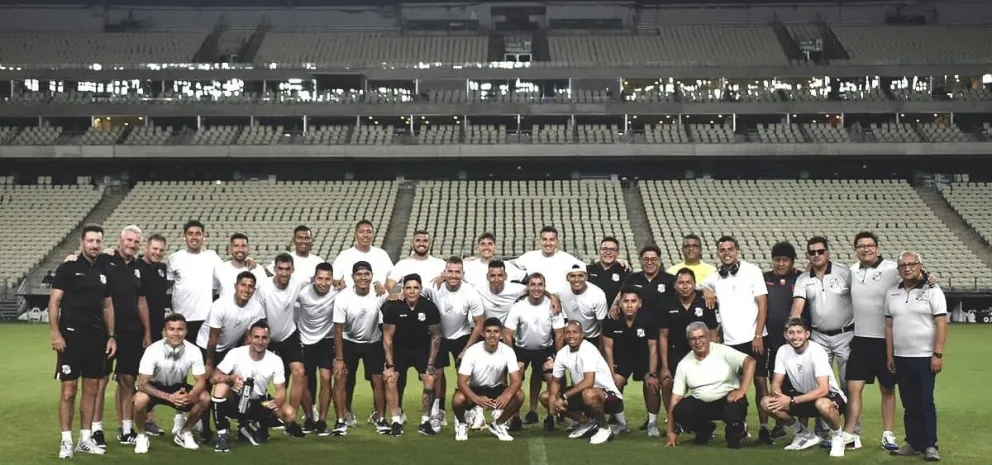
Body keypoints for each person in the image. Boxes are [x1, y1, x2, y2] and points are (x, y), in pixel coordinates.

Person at [49, 225, 117, 459]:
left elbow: (108, 305)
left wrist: (111, 336)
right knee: (69, 391)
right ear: (82, 242)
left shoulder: (104, 269)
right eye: (90, 241)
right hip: (70, 338)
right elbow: (54, 302)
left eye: (98, 241)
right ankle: (66, 440)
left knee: (91, 390)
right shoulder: (67, 268)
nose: (95, 245)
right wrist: (55, 333)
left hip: (96, 339)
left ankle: (84, 439)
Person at [789, 237, 858, 447]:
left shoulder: (844, 273)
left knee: (849, 385)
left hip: (846, 335)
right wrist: (791, 330)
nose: (816, 255)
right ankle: (824, 432)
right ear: (808, 255)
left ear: (827, 252)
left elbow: (861, 299)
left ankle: (851, 433)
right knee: (821, 385)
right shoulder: (803, 279)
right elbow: (797, 305)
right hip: (818, 336)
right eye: (812, 252)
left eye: (820, 251)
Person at [700, 235, 769, 437]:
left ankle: (764, 427)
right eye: (722, 250)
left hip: (754, 338)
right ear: (718, 253)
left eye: (730, 249)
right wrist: (706, 289)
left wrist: (758, 335)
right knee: (736, 387)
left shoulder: (752, 271)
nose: (726, 253)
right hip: (730, 342)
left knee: (760, 383)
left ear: (737, 250)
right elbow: (700, 284)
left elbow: (763, 304)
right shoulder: (715, 275)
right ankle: (741, 425)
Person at [884, 252, 946, 461]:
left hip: (925, 356)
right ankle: (912, 442)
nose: (908, 268)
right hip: (901, 356)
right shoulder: (892, 292)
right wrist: (890, 354)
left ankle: (930, 445)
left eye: (912, 264)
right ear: (898, 269)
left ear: (920, 266)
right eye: (903, 265)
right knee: (908, 402)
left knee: (925, 401)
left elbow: (941, 323)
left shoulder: (933, 291)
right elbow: (889, 324)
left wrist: (937, 354)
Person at [760, 318, 849, 457]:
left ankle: (838, 437)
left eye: (799, 332)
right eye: (791, 332)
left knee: (823, 405)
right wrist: (778, 396)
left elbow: (823, 389)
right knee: (766, 403)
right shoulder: (783, 351)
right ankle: (804, 434)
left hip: (830, 397)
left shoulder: (817, 351)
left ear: (807, 334)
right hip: (803, 397)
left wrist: (791, 400)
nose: (795, 336)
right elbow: (776, 382)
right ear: (785, 335)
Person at [845, 231, 901, 451]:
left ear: (877, 248)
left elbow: (914, 275)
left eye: (870, 245)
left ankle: (888, 434)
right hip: (860, 339)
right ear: (855, 249)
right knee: (853, 388)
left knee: (887, 389)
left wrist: (929, 278)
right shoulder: (852, 271)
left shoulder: (891, 268)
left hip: (885, 341)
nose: (865, 249)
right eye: (861, 246)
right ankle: (849, 434)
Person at [209, 321, 297, 452]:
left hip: (259, 402)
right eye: (256, 337)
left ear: (269, 340)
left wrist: (277, 400)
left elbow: (281, 390)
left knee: (289, 414)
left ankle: (251, 424)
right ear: (249, 338)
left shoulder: (275, 360)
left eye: (264, 338)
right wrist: (231, 379)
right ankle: (223, 436)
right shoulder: (236, 353)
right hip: (235, 400)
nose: (260, 341)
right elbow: (214, 378)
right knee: (221, 387)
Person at [665, 322, 755, 449]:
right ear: (688, 341)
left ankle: (736, 432)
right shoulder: (683, 364)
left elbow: (750, 362)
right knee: (680, 411)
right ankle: (705, 430)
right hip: (702, 403)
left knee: (734, 424)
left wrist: (741, 390)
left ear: (708, 336)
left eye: (701, 337)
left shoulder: (722, 351)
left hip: (727, 399)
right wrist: (670, 431)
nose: (698, 341)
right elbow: (675, 399)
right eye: (693, 338)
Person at [421, 256, 485, 432]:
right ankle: (437, 412)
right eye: (450, 271)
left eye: (458, 272)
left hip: (462, 335)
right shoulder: (434, 287)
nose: (454, 275)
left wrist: (466, 350)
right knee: (437, 374)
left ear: (463, 274)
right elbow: (414, 291)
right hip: (438, 336)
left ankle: (474, 411)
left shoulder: (470, 292)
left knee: (466, 375)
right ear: (444, 272)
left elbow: (480, 323)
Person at [132, 313, 210, 453]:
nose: (176, 333)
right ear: (164, 331)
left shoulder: (194, 350)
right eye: (171, 329)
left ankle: (184, 432)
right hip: (155, 387)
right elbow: (142, 383)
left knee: (204, 398)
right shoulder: (152, 350)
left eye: (180, 329)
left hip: (178, 387)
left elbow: (201, 380)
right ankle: (141, 435)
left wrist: (190, 395)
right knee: (139, 399)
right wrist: (169, 397)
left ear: (186, 331)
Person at [332, 261, 390, 435]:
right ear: (352, 278)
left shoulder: (380, 294)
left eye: (367, 274)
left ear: (372, 277)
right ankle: (341, 420)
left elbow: (396, 298)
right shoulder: (343, 298)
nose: (363, 278)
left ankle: (381, 419)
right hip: (349, 342)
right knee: (341, 378)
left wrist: (389, 291)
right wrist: (340, 359)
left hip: (373, 342)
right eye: (359, 274)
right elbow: (338, 330)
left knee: (378, 380)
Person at [542, 321, 624, 445]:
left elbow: (588, 381)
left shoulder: (588, 349)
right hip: (585, 394)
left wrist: (563, 397)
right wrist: (553, 398)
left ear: (582, 335)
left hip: (609, 397)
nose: (571, 335)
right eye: (567, 332)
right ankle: (586, 422)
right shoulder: (562, 353)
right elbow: (556, 381)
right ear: (563, 335)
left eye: (575, 332)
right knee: (546, 397)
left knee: (588, 393)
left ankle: (604, 428)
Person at [254, 253, 309, 437]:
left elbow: (317, 280)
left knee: (299, 372)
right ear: (275, 269)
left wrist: (335, 282)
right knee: (259, 379)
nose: (284, 273)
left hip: (288, 334)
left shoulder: (297, 283)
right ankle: (256, 417)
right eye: (280, 269)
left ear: (292, 269)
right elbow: (260, 319)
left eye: (287, 269)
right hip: (267, 336)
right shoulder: (263, 289)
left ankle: (290, 420)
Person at [503, 273, 565, 431]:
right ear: (528, 287)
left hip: (545, 349)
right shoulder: (519, 306)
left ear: (544, 287)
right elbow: (508, 333)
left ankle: (549, 416)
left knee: (552, 378)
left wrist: (558, 359)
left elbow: (559, 334)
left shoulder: (552, 306)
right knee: (516, 378)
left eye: (540, 285)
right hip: (522, 349)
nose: (536, 288)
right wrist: (511, 358)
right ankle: (515, 417)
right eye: (533, 284)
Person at [382, 274, 442, 436]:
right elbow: (387, 337)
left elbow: (436, 336)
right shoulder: (393, 307)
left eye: (415, 288)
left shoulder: (429, 308)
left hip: (420, 350)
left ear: (421, 289)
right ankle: (395, 421)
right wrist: (390, 365)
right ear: (403, 289)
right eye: (408, 288)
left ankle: (425, 422)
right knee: (390, 378)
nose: (412, 291)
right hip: (399, 350)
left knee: (430, 379)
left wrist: (430, 365)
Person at [659, 268, 718, 429]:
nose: (685, 286)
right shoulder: (667, 303)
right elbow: (663, 336)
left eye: (688, 282)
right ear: (676, 285)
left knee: (706, 386)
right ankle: (672, 420)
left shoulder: (705, 302)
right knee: (666, 382)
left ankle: (704, 423)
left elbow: (713, 333)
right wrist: (664, 366)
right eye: (681, 283)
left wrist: (713, 358)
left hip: (700, 353)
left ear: (694, 284)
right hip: (675, 352)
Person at [452, 317, 525, 442]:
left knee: (519, 395)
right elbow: (461, 382)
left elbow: (516, 380)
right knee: (458, 399)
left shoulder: (508, 351)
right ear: (482, 333)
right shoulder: (472, 351)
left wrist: (507, 394)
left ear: (501, 334)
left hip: (496, 387)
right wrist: (476, 399)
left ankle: (498, 424)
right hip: (474, 388)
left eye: (496, 331)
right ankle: (463, 424)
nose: (492, 335)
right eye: (488, 331)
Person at [601, 288, 660, 435]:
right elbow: (607, 348)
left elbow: (653, 348)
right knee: (614, 384)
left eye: (633, 301)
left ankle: (652, 424)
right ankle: (621, 423)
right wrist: (611, 373)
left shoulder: (649, 319)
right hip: (621, 358)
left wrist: (652, 375)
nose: (629, 305)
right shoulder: (611, 319)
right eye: (625, 301)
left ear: (639, 303)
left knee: (652, 385)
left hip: (643, 358)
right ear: (619, 303)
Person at [761, 241, 802, 443]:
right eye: (777, 260)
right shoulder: (765, 278)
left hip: (796, 340)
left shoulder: (801, 278)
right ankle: (779, 423)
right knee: (775, 379)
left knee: (798, 380)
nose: (780, 264)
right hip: (772, 339)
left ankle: (802, 423)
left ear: (792, 262)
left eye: (785, 260)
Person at [296, 262, 340, 436]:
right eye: (320, 278)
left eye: (327, 279)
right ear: (314, 279)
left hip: (326, 340)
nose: (323, 282)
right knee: (303, 381)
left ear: (332, 279)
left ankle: (321, 420)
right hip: (304, 341)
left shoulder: (337, 293)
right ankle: (308, 418)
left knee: (325, 378)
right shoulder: (302, 293)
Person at [137, 233, 173, 436]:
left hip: (157, 330)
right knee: (130, 377)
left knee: (151, 376)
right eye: (154, 249)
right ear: (146, 248)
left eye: (161, 250)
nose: (157, 252)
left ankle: (148, 420)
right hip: (139, 331)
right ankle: (127, 423)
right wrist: (147, 333)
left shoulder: (161, 269)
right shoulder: (136, 268)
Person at [167, 220, 222, 344]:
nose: (194, 237)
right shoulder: (174, 258)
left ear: (204, 236)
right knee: (180, 359)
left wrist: (247, 260)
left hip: (205, 318)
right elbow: (168, 287)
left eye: (198, 233)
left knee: (202, 358)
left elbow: (225, 277)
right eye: (190, 233)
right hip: (180, 318)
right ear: (184, 236)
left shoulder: (212, 257)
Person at [510, 226, 585, 294]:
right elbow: (508, 266)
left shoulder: (567, 258)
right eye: (544, 239)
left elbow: (583, 268)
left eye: (551, 240)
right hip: (536, 300)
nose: (548, 243)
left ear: (557, 241)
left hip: (560, 302)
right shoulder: (529, 256)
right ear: (540, 241)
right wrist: (523, 278)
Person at [331, 220, 394, 289]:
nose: (365, 235)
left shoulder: (382, 254)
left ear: (373, 235)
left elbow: (392, 276)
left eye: (369, 232)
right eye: (361, 231)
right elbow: (335, 279)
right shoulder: (344, 256)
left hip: (379, 297)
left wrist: (385, 288)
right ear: (355, 234)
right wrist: (339, 283)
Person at [615, 245, 676, 317]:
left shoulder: (670, 279)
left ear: (659, 261)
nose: (649, 262)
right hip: (638, 324)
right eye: (646, 259)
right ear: (641, 261)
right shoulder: (632, 278)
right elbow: (621, 296)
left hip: (663, 323)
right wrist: (615, 305)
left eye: (653, 259)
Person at [558, 265, 608, 348]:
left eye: (580, 276)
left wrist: (601, 347)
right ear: (567, 278)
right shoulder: (562, 290)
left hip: (591, 337)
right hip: (571, 336)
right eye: (572, 276)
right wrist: (553, 299)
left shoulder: (598, 296)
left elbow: (602, 326)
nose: (576, 279)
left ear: (586, 277)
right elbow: (552, 294)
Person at [385, 230, 446, 297]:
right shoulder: (402, 264)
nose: (421, 243)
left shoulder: (441, 264)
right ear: (412, 243)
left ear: (430, 244)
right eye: (418, 240)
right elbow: (389, 285)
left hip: (434, 305)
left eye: (425, 241)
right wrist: (395, 297)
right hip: (409, 305)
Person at [214, 233, 267, 299]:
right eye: (236, 246)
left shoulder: (258, 270)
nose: (240, 249)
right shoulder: (220, 269)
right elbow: (212, 290)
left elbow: (263, 294)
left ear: (248, 249)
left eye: (243, 246)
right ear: (230, 249)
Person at [586, 236, 631, 305]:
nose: (608, 252)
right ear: (599, 251)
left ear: (617, 253)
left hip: (615, 314)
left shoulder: (624, 270)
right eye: (605, 249)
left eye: (612, 249)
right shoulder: (588, 270)